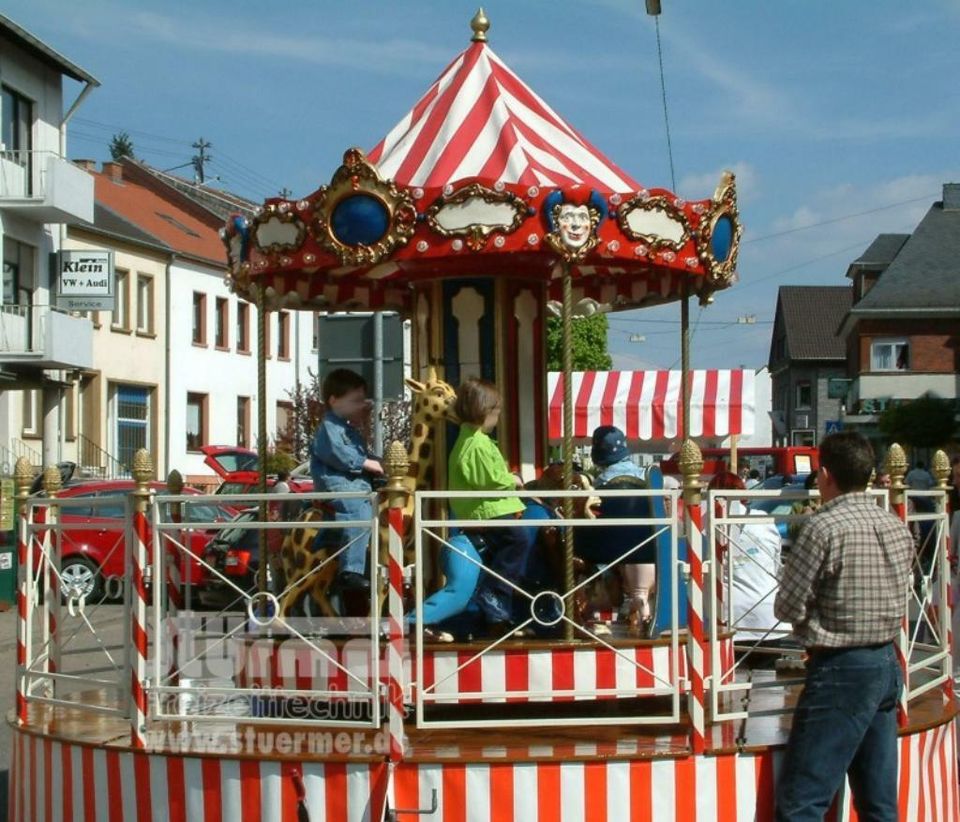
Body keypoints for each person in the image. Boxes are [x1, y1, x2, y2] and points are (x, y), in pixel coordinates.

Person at [773, 431, 913, 821]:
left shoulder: (823, 528)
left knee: (803, 801)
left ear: (824, 474)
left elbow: (786, 606)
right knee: (879, 802)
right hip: (886, 661)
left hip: (841, 667)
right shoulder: (894, 525)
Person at [447, 378, 528, 629]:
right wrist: (512, 479)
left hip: (488, 507)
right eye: (497, 412)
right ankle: (494, 592)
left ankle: (500, 610)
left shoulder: (472, 440)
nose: (499, 417)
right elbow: (488, 479)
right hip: (486, 510)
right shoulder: (476, 444)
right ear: (485, 412)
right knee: (519, 539)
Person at [309, 369, 383, 593]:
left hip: (356, 484)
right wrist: (366, 463)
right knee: (358, 513)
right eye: (356, 400)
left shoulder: (348, 429)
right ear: (334, 400)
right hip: (339, 484)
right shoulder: (329, 428)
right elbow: (338, 453)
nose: (361, 405)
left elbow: (363, 450)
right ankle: (350, 570)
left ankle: (330, 540)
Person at [581, 425, 655, 624]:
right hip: (646, 542)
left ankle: (590, 595)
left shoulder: (600, 482)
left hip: (610, 547)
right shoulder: (645, 477)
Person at [707, 472, 788, 642]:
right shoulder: (764, 519)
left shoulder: (705, 526)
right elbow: (776, 562)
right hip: (770, 616)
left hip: (729, 618)